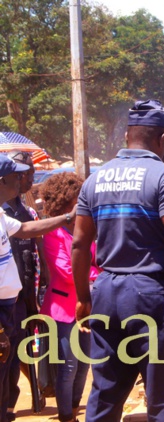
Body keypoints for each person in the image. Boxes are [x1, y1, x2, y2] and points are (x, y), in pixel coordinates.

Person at [72, 100, 164, 421]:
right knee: (163, 396)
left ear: (127, 135)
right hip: (153, 297)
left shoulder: (96, 180)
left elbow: (80, 244)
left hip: (106, 292)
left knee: (106, 391)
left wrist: (84, 297)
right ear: (162, 139)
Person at [0, 155, 78, 421]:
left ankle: (8, 408)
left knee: (11, 360)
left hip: (16, 302)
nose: (24, 179)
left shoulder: (10, 214)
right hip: (2, 307)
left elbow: (27, 230)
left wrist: (67, 217)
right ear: (4, 181)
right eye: (18, 175)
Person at [39, 173, 99, 422]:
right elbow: (65, 271)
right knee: (68, 368)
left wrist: (93, 272)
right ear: (65, 203)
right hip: (62, 309)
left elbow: (99, 261)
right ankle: (66, 416)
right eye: (77, 198)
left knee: (84, 365)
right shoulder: (52, 233)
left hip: (87, 306)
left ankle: (74, 411)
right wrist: (96, 274)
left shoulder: (85, 228)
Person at [3, 151, 49, 419]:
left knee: (19, 347)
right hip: (7, 296)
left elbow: (36, 248)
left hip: (24, 293)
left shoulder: (25, 210)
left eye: (30, 172)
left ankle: (13, 402)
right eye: (23, 173)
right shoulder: (4, 212)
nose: (28, 177)